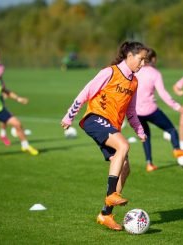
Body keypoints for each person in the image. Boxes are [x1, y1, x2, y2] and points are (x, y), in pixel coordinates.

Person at [61, 41, 148, 231]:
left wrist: (140, 131)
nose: (143, 64)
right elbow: (86, 92)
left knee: (125, 167)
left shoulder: (134, 82)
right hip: (94, 119)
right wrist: (70, 116)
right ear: (130, 56)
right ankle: (111, 194)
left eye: (145, 60)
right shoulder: (109, 72)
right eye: (141, 59)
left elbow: (131, 111)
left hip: (111, 126)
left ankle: (105, 214)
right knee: (123, 146)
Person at [135, 49, 183, 172]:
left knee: (145, 137)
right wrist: (177, 107)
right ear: (153, 59)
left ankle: (149, 164)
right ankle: (176, 149)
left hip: (136, 113)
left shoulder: (135, 71)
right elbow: (163, 94)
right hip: (151, 111)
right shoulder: (155, 73)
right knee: (171, 129)